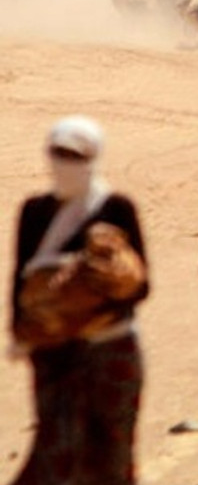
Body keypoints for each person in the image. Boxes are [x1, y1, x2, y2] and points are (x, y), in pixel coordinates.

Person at [10, 116, 148, 485]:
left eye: (76, 155)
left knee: (111, 458)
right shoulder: (35, 212)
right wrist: (22, 330)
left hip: (111, 349)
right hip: (53, 352)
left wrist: (87, 305)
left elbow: (141, 287)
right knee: (54, 453)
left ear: (94, 156)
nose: (65, 162)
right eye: (58, 152)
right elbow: (20, 278)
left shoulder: (117, 209)